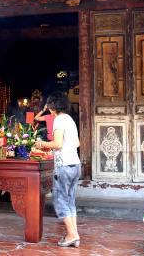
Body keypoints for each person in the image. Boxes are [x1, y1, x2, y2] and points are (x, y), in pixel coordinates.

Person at [34, 92, 81, 248]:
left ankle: (72, 234)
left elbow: (58, 144)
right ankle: (74, 234)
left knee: (60, 201)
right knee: (70, 201)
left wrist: (41, 144)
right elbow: (77, 143)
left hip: (64, 166)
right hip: (75, 164)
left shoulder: (59, 120)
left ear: (52, 106)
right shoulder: (70, 120)